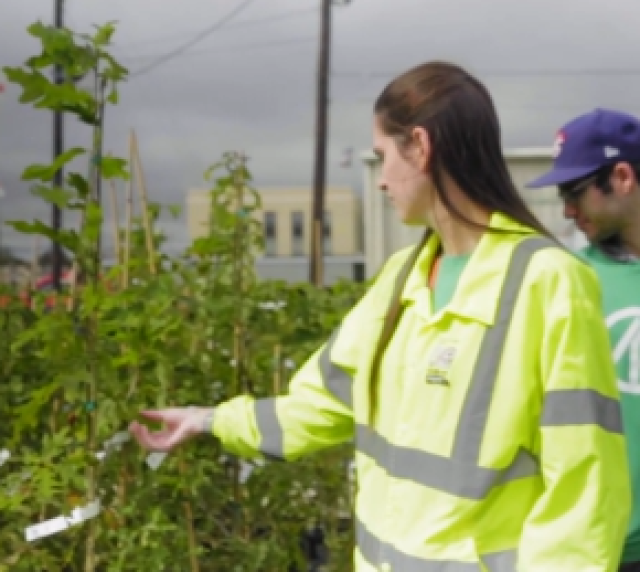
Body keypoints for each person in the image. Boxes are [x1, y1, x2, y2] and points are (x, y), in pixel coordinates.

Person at [130, 62, 631, 571]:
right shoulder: (400, 280)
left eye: (382, 156)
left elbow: (584, 488)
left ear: (420, 145)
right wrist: (208, 420)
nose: (381, 180)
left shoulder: (548, 281)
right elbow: (320, 404)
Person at [527, 107, 640, 571]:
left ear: (622, 176)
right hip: (599, 552)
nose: (568, 212)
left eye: (575, 193)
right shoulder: (570, 280)